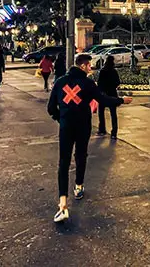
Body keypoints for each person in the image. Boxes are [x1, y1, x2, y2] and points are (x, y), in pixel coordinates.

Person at [47, 53, 133, 223]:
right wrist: (122, 100)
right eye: (89, 65)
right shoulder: (87, 83)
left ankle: (63, 204)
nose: (91, 68)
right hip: (83, 127)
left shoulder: (60, 82)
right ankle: (79, 186)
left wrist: (61, 118)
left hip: (66, 127)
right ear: (83, 66)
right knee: (80, 156)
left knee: (63, 162)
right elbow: (103, 100)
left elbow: (50, 108)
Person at [96, 55, 121, 139]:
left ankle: (102, 129)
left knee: (101, 112)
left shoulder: (103, 71)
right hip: (112, 94)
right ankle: (114, 132)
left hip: (103, 95)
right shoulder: (114, 71)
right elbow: (118, 82)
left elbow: (99, 83)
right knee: (113, 114)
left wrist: (102, 90)